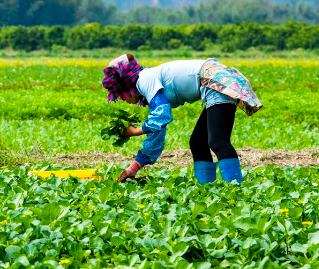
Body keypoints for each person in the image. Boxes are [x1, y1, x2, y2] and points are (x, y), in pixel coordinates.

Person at [102, 54, 262, 184]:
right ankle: (206, 189)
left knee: (218, 142)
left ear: (127, 88)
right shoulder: (148, 83)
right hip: (213, 82)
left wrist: (134, 132)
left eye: (120, 97)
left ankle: (236, 189)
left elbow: (161, 116)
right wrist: (132, 169)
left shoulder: (144, 80)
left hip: (215, 81)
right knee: (198, 143)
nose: (122, 100)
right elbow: (157, 132)